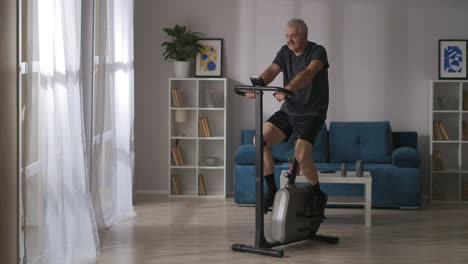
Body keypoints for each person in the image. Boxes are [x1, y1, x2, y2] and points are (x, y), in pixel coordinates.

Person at [246, 18, 329, 218]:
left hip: (311, 113)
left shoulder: (318, 51)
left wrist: (288, 88)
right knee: (260, 141)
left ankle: (318, 194)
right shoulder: (285, 52)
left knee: (301, 156)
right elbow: (271, 71)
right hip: (289, 111)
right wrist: (257, 84)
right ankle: (271, 191)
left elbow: (308, 73)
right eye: (287, 35)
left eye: (294, 35)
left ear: (305, 35)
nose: (289, 40)